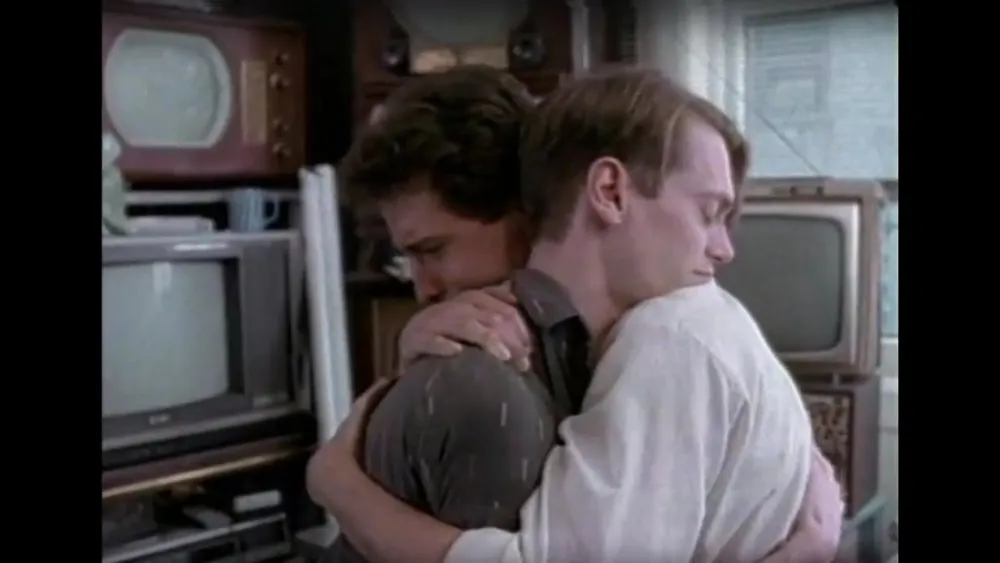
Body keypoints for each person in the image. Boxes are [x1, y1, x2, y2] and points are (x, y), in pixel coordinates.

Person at [309, 66, 842, 563]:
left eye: (433, 250)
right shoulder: (483, 372)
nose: (423, 288)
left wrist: (337, 484)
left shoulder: (663, 332)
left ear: (527, 213)